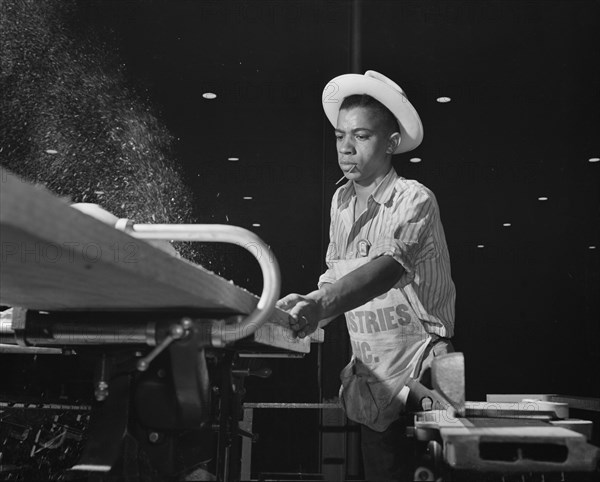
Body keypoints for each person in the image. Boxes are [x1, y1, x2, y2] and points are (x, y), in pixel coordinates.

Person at [277, 70, 456, 481]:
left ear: (392, 143)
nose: (346, 148)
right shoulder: (340, 201)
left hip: (426, 371)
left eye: (361, 136)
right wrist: (308, 307)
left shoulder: (415, 198)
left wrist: (322, 303)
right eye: (340, 136)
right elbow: (336, 272)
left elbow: (386, 269)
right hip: (373, 372)